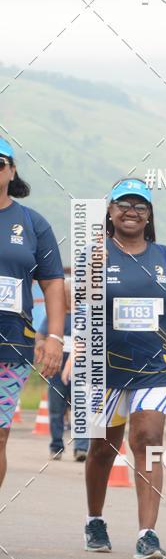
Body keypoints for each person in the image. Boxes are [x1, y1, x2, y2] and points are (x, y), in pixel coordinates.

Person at [75, 179, 166, 559]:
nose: (131, 211)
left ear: (149, 215)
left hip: (154, 365)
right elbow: (82, 309)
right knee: (103, 447)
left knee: (148, 440)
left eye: (140, 206)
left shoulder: (164, 255)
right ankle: (95, 520)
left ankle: (147, 534)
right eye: (123, 204)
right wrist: (78, 352)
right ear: (110, 211)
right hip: (106, 369)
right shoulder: (94, 255)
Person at [0, 136, 64, 488]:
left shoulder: (32, 223)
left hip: (11, 344)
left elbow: (52, 283)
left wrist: (54, 337)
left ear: (12, 171)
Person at [36, 277, 89, 461]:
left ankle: (81, 448)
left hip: (81, 368)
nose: (70, 295)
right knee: (56, 409)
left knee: (81, 408)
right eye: (67, 292)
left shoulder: (86, 317)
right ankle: (56, 446)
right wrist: (41, 345)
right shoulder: (55, 317)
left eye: (74, 293)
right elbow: (40, 335)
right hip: (57, 369)